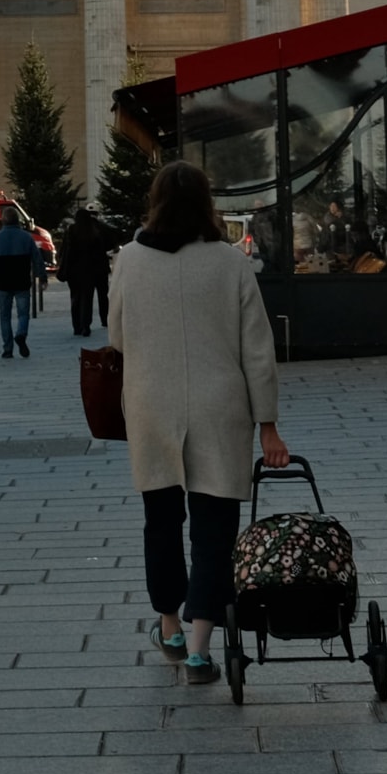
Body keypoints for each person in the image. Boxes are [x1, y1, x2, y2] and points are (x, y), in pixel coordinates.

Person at [108, 161, 288, 689]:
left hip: (151, 406)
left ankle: (168, 626)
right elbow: (258, 350)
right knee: (214, 530)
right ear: (206, 203)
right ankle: (199, 649)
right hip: (220, 408)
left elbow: (117, 336)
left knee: (160, 522)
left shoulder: (130, 260)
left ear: (156, 201)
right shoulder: (230, 263)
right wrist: (269, 425)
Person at [0, 207, 44, 358]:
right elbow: (37, 259)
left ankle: (8, 349)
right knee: (23, 313)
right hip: (22, 281)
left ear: (3, 220)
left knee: (4, 316)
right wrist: (41, 276)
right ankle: (21, 334)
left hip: (4, 282)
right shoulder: (26, 237)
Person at [60, 206, 115, 337]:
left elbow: (65, 250)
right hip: (91, 270)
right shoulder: (94, 231)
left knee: (75, 298)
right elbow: (103, 249)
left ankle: (76, 326)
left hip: (74, 270)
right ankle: (86, 325)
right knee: (87, 298)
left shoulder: (71, 230)